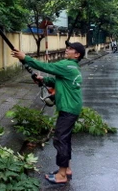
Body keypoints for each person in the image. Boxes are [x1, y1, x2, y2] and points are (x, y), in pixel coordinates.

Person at [11, 41, 85, 185]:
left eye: (70, 49)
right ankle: (66, 170)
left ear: (77, 54)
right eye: (68, 47)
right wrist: (42, 80)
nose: (67, 49)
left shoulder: (68, 65)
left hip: (68, 109)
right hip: (71, 108)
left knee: (60, 140)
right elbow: (57, 80)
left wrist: (25, 58)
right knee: (65, 139)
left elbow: (46, 67)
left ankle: (62, 175)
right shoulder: (71, 67)